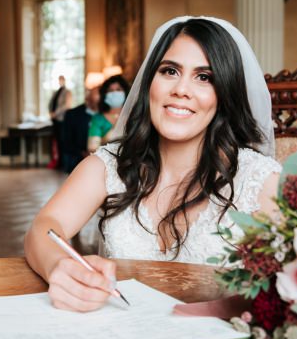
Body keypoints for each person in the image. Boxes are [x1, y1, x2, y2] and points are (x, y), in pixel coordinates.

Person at [23, 17, 281, 311]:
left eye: (204, 77)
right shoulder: (108, 166)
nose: (181, 89)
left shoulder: (259, 181)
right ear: (149, 84)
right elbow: (42, 229)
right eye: (170, 71)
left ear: (224, 94)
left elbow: (290, 289)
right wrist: (61, 267)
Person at [60, 86, 99, 172]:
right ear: (87, 99)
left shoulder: (106, 115)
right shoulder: (72, 114)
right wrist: (83, 153)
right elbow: (66, 141)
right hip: (77, 160)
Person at [87, 75, 129, 153]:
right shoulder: (98, 119)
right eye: (110, 90)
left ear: (125, 92)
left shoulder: (134, 115)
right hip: (106, 162)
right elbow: (92, 149)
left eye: (118, 89)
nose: (115, 93)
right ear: (105, 95)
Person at [48, 76, 71, 168]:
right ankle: (58, 162)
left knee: (63, 141)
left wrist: (55, 113)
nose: (60, 81)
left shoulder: (67, 92)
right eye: (59, 80)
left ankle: (63, 163)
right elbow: (51, 103)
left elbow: (66, 105)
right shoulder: (55, 92)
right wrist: (50, 113)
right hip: (55, 121)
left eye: (61, 80)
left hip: (62, 119)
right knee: (56, 142)